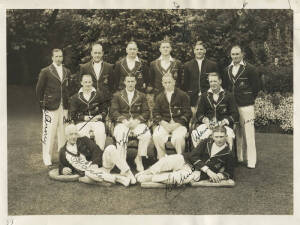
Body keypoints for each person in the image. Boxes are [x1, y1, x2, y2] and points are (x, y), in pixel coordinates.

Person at [135, 126, 235, 185]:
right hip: (186, 160)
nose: (219, 139)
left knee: (177, 179)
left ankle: (150, 178)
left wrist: (219, 175)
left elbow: (230, 172)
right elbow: (193, 156)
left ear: (226, 137)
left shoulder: (228, 153)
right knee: (166, 161)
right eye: (216, 137)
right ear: (212, 136)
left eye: (222, 137)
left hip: (197, 172)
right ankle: (147, 172)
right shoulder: (206, 142)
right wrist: (208, 171)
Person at [59, 124, 136, 186]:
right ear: (66, 136)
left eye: (75, 134)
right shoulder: (63, 151)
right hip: (90, 173)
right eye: (71, 134)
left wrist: (95, 163)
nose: (73, 137)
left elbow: (96, 149)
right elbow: (61, 165)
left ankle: (128, 173)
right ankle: (120, 179)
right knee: (88, 173)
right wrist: (63, 170)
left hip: (102, 165)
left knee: (111, 148)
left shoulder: (83, 140)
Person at [222, 45, 261, 169]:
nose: (235, 56)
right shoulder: (227, 70)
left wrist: (249, 98)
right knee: (236, 132)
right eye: (233, 54)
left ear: (242, 54)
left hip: (246, 105)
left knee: (248, 132)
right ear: (230, 55)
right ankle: (239, 158)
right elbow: (227, 88)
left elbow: (256, 87)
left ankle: (251, 160)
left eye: (237, 54)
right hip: (233, 106)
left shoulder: (250, 69)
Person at [36, 48, 71, 168]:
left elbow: (68, 89)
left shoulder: (67, 71)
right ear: (52, 57)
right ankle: (47, 157)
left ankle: (62, 156)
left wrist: (68, 105)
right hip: (50, 106)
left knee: (63, 133)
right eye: (56, 56)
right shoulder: (46, 71)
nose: (59, 59)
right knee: (49, 133)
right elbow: (39, 89)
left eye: (60, 56)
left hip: (64, 106)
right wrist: (43, 104)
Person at [110, 74, 152, 172]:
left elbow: (146, 112)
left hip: (137, 122)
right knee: (121, 134)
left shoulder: (141, 95)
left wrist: (137, 121)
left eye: (132, 81)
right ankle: (122, 163)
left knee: (146, 134)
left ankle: (139, 158)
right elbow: (114, 112)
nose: (130, 84)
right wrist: (124, 120)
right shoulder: (117, 95)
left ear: (135, 82)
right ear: (124, 82)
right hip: (123, 123)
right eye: (128, 81)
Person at [191, 72, 238, 149]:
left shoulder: (228, 95)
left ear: (220, 81)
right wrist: (206, 120)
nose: (213, 84)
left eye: (215, 81)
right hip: (208, 125)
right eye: (211, 81)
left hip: (223, 125)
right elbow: (199, 113)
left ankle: (226, 157)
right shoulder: (204, 96)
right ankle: (201, 157)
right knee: (196, 135)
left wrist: (225, 121)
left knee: (228, 137)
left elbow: (235, 114)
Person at [152, 74, 192, 159]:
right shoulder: (159, 96)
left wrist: (177, 124)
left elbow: (188, 113)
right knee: (157, 135)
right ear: (162, 83)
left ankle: (180, 159)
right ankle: (162, 158)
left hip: (179, 124)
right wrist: (163, 123)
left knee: (178, 138)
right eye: (165, 83)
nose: (167, 85)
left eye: (169, 82)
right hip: (165, 124)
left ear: (174, 82)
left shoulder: (182, 95)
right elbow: (155, 113)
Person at [69, 74, 110, 150]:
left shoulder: (98, 94)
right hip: (82, 122)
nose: (87, 84)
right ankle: (84, 155)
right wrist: (83, 117)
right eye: (85, 82)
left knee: (100, 133)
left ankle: (99, 153)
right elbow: (72, 114)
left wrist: (100, 116)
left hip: (96, 121)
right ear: (81, 83)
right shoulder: (76, 97)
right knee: (82, 134)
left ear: (92, 83)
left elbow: (104, 109)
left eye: (89, 82)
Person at [183, 41, 219, 115]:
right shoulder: (187, 65)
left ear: (205, 51)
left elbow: (217, 82)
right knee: (193, 118)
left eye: (201, 49)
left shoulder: (212, 65)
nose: (199, 51)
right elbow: (186, 83)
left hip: (208, 96)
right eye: (197, 49)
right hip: (192, 97)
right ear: (194, 51)